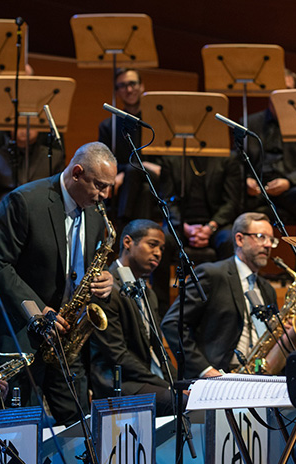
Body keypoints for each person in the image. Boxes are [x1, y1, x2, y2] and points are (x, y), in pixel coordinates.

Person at [0, 141, 116, 426]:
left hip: (65, 338)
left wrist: (106, 281)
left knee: (79, 425)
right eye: (100, 186)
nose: (105, 195)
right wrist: (39, 312)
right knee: (20, 428)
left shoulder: (94, 211)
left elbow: (86, 267)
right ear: (77, 173)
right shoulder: (25, 201)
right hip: (20, 333)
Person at [161, 212, 278, 378]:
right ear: (239, 239)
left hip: (257, 376)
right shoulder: (212, 274)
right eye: (261, 237)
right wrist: (204, 370)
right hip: (219, 376)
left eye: (271, 240)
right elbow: (172, 323)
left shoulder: (267, 289)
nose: (267, 245)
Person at [89, 220, 176, 415]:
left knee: (197, 397)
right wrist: (166, 386)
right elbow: (117, 355)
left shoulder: (148, 292)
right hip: (118, 381)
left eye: (161, 248)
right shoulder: (106, 288)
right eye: (152, 245)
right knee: (181, 402)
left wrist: (176, 382)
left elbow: (158, 348)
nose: (158, 253)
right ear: (128, 242)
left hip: (145, 378)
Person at [150, 153, 242, 309]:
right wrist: (184, 226)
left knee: (229, 241)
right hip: (181, 224)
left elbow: (232, 202)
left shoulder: (227, 157)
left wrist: (210, 227)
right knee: (162, 240)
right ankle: (160, 308)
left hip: (216, 224)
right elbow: (166, 199)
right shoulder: (171, 157)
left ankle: (224, 306)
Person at [242, 69, 296, 238]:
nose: (283, 94)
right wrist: (246, 179)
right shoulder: (249, 123)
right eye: (279, 90)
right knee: (231, 199)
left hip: (289, 188)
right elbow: (237, 161)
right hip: (255, 188)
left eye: (289, 90)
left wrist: (288, 182)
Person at [98, 68, 162, 232]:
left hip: (156, 178)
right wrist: (124, 171)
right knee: (144, 190)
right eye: (122, 85)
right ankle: (141, 234)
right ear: (117, 91)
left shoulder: (156, 122)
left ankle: (122, 225)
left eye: (133, 84)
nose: (129, 89)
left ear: (142, 86)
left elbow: (166, 162)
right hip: (129, 184)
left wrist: (126, 171)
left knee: (133, 172)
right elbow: (104, 163)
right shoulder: (108, 126)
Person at [0, 128, 65, 216]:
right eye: (20, 125)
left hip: (41, 216)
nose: (25, 130)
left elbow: (61, 197)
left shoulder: (54, 157)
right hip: (5, 217)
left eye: (30, 124)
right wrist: (15, 211)